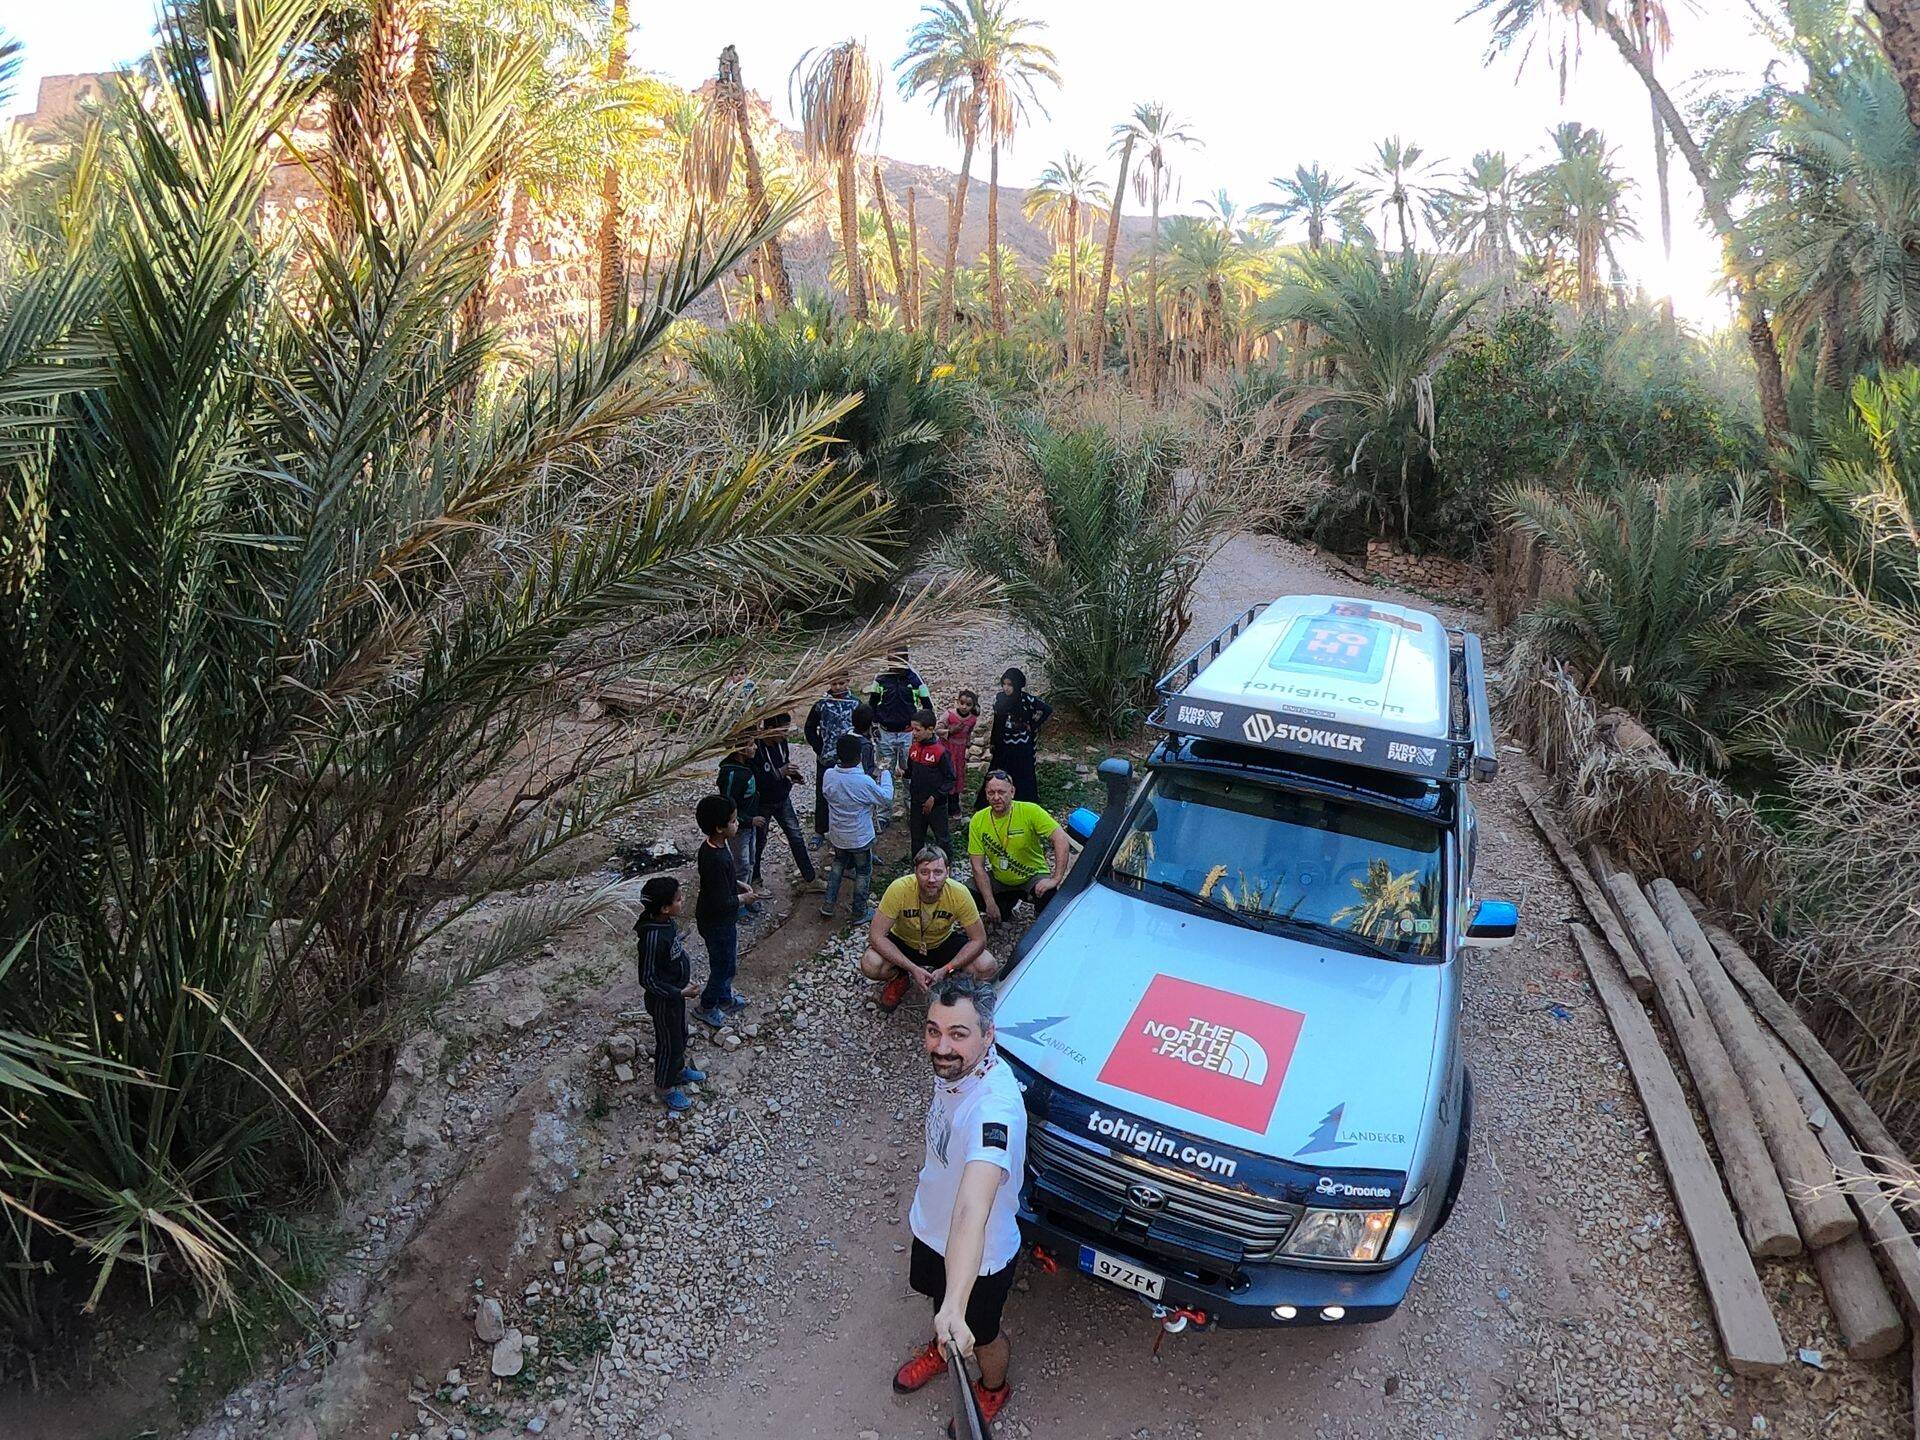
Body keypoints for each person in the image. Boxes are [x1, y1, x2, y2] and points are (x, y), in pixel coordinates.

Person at [888, 975, 1025, 1429]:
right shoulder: (958, 1068)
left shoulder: (994, 1109)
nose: (941, 1047)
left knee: (981, 1332)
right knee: (935, 1297)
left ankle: (991, 1387)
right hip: (931, 1227)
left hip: (978, 1257)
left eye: (958, 1034)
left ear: (989, 1034)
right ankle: (941, 1344)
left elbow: (973, 1206)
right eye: (933, 1030)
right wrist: (945, 1308)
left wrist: (956, 1304)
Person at [860, 846, 994, 1013]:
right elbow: (876, 936)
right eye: (924, 872)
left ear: (948, 872)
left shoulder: (959, 893)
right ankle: (899, 977)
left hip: (942, 942)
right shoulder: (898, 889)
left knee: (986, 965)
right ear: (915, 872)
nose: (931, 879)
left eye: (938, 872)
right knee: (870, 963)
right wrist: (912, 968)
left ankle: (950, 978)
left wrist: (949, 967)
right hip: (904, 942)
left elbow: (979, 939)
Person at [634, 876, 707, 1113]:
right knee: (668, 1043)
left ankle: (677, 1071)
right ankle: (664, 1087)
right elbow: (648, 979)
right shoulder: (652, 937)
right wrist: (678, 991)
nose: (682, 900)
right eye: (678, 899)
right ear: (665, 908)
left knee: (681, 1034)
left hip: (676, 998)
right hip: (664, 1001)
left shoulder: (666, 923)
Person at [967, 772, 1072, 926]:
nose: (996, 797)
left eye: (1001, 792)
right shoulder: (978, 819)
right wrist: (989, 901)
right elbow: (977, 866)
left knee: (1049, 896)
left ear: (1012, 792)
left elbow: (1061, 839)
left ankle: (1043, 925)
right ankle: (1002, 907)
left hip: (1032, 875)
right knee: (965, 893)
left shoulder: (1030, 811)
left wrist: (1056, 879)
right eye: (991, 792)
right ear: (986, 794)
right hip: (1000, 878)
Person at [819, 732, 894, 923]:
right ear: (859, 756)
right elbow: (886, 797)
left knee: (838, 864)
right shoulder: (863, 781)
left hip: (838, 833)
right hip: (859, 835)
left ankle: (828, 904)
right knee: (863, 871)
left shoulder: (829, 775)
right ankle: (859, 911)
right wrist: (885, 773)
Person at [693, 794, 754, 1028]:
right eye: (733, 821)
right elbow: (721, 901)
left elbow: (717, 883)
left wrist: (737, 884)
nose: (737, 824)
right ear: (720, 828)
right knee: (722, 965)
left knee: (727, 961)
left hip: (717, 919)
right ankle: (706, 1006)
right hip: (716, 921)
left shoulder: (714, 846)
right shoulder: (716, 857)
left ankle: (725, 998)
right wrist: (743, 898)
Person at [751, 713, 820, 892]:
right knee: (759, 841)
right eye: (782, 731)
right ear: (769, 729)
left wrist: (792, 776)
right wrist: (781, 772)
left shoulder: (781, 743)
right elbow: (758, 780)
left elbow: (784, 763)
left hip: (782, 799)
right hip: (763, 803)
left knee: (796, 836)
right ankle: (754, 880)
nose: (785, 735)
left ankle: (810, 879)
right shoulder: (755, 749)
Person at [804, 673, 861, 846]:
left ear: (848, 681)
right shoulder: (821, 704)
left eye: (841, 683)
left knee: (850, 794)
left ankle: (850, 833)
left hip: (849, 760)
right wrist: (819, 748)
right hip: (826, 759)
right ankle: (820, 830)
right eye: (834, 683)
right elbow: (809, 728)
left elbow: (862, 728)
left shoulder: (855, 704)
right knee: (823, 793)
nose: (837, 687)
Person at [983, 668, 1052, 805]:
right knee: (1000, 772)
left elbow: (1046, 709)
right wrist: (993, 741)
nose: (1006, 688)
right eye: (1004, 684)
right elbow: (997, 721)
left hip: (1022, 745)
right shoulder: (1001, 699)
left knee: (1023, 774)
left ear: (1017, 685)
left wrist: (1032, 725)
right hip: (1004, 743)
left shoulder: (1026, 699)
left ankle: (1024, 802)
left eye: (1010, 685)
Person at [866, 650, 931, 779]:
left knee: (910, 771)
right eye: (891, 660)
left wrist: (921, 730)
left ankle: (910, 799)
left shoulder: (916, 680)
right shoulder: (881, 679)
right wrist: (873, 727)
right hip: (885, 734)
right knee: (884, 772)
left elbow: (927, 706)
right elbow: (872, 705)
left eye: (897, 660)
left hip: (908, 734)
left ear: (906, 659)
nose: (893, 664)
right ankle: (886, 798)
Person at [715, 738, 763, 912]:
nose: (755, 747)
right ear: (742, 749)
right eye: (751, 745)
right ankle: (738, 905)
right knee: (740, 865)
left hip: (749, 826)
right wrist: (748, 820)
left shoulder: (747, 767)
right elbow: (728, 805)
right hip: (740, 829)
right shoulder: (732, 774)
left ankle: (746, 897)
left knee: (750, 861)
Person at [904, 708, 958, 858]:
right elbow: (911, 771)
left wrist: (934, 797)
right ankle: (917, 870)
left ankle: (947, 870)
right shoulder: (913, 748)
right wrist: (903, 773)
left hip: (937, 805)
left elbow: (950, 779)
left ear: (930, 730)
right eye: (912, 729)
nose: (913, 733)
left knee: (942, 839)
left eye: (917, 730)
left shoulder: (941, 752)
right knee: (916, 839)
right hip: (916, 803)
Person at [941, 689, 981, 819]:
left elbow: (968, 733)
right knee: (946, 774)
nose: (964, 707)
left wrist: (967, 743)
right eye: (962, 703)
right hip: (947, 749)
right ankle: (942, 805)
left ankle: (954, 806)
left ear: (973, 706)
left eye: (968, 704)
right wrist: (950, 731)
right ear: (957, 702)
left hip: (959, 752)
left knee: (957, 775)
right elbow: (937, 729)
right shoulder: (949, 715)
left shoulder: (972, 719)